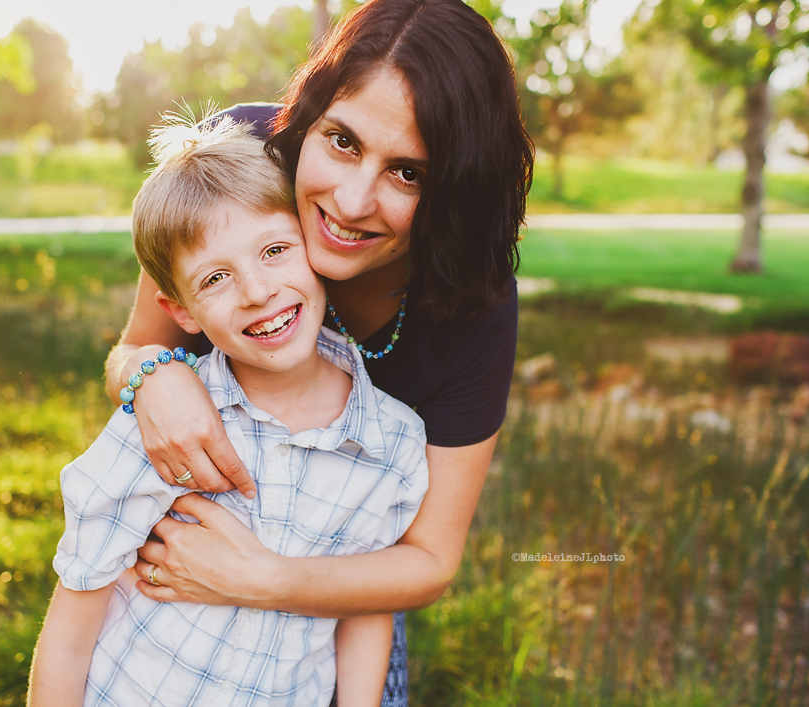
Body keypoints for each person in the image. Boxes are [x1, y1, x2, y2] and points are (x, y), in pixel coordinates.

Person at [104, 0, 534, 702]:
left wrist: (265, 578)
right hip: (189, 557)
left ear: (454, 191)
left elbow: (428, 559)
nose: (352, 199)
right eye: (342, 141)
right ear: (310, 115)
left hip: (345, 588)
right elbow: (131, 351)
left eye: (409, 173)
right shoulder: (239, 156)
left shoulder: (472, 300)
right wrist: (155, 377)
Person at [27, 119, 429, 706]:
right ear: (181, 310)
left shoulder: (392, 444)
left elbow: (363, 607)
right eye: (215, 278)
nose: (257, 290)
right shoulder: (164, 428)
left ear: (316, 246)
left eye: (274, 250)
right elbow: (70, 628)